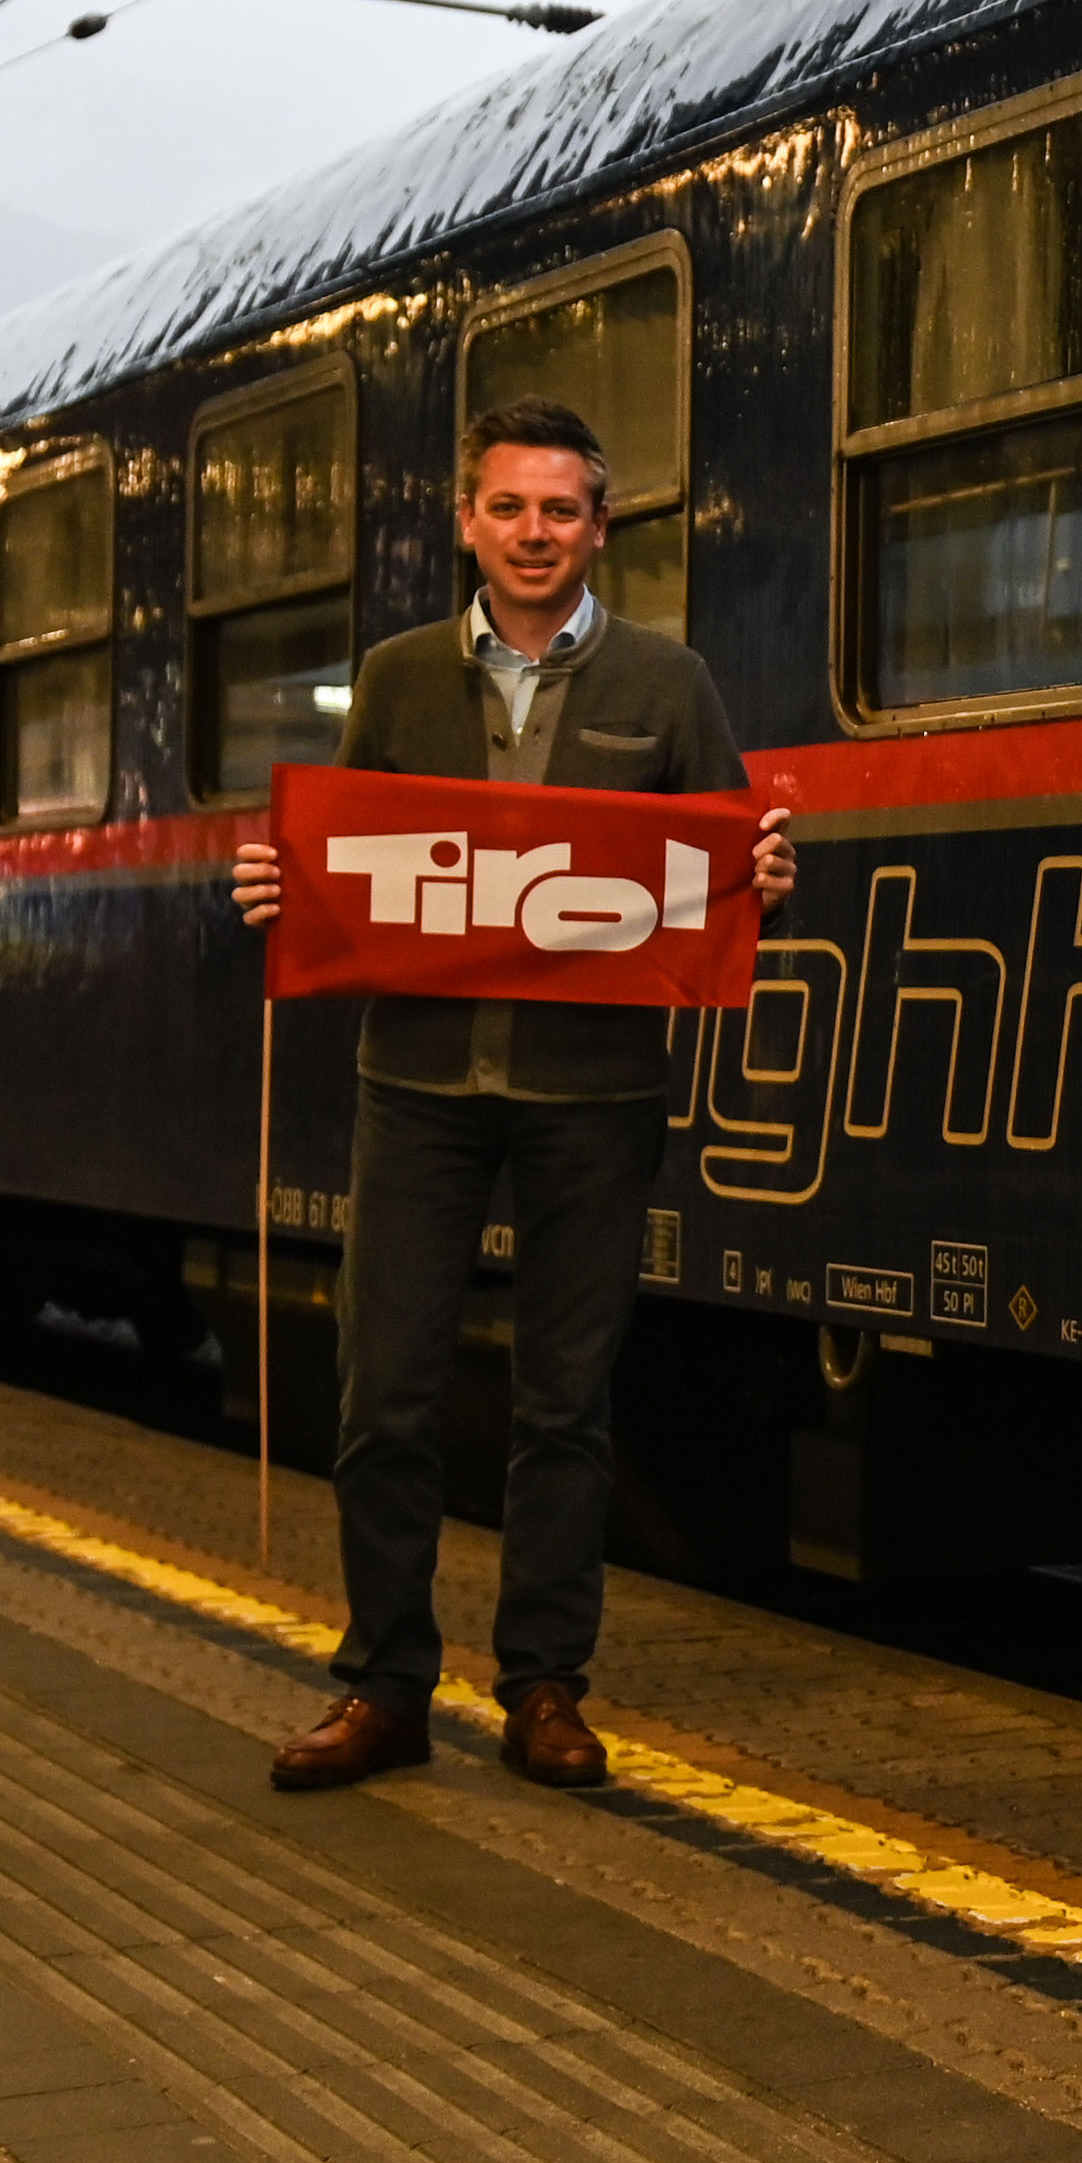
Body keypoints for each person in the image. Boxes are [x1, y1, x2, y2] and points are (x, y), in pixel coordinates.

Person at [230, 402, 796, 1794]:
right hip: (417, 1088)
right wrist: (282, 882)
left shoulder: (671, 686)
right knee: (385, 1395)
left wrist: (768, 881)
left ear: (599, 528)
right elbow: (349, 868)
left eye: (559, 510)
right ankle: (386, 1688)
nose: (533, 533)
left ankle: (543, 1687)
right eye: (508, 507)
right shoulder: (397, 680)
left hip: (594, 1097)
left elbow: (725, 877)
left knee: (565, 1404)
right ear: (467, 522)